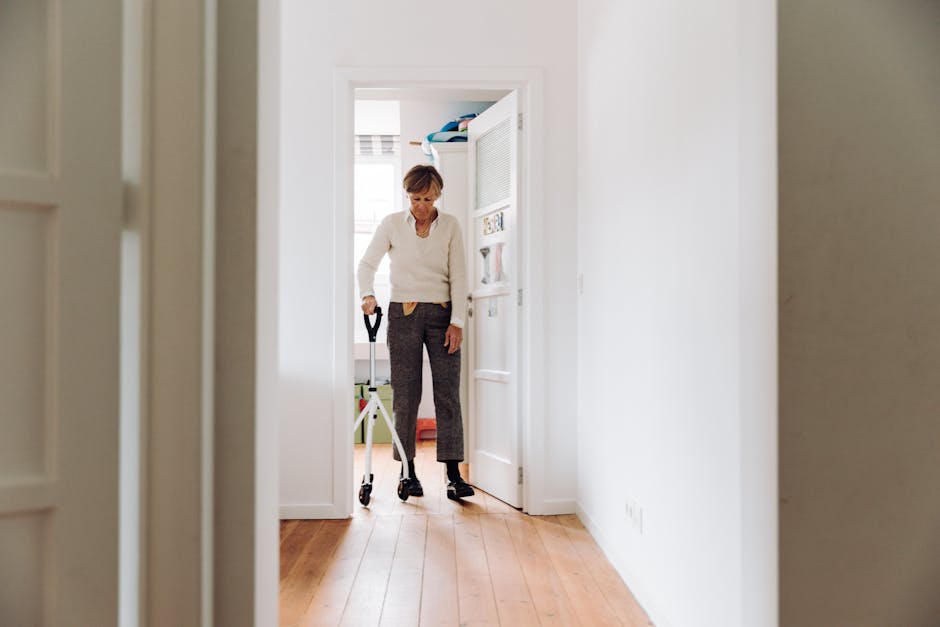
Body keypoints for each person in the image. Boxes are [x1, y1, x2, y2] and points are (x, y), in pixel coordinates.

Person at [358, 164, 474, 501]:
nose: (420, 205)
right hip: (403, 313)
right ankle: (407, 472)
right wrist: (367, 293)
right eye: (414, 198)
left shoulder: (450, 225)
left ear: (438, 195)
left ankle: (453, 475)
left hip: (442, 315)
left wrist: (458, 323)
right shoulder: (392, 224)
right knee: (406, 394)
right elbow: (367, 265)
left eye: (426, 198)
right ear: (406, 195)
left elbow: (460, 275)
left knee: (448, 393)